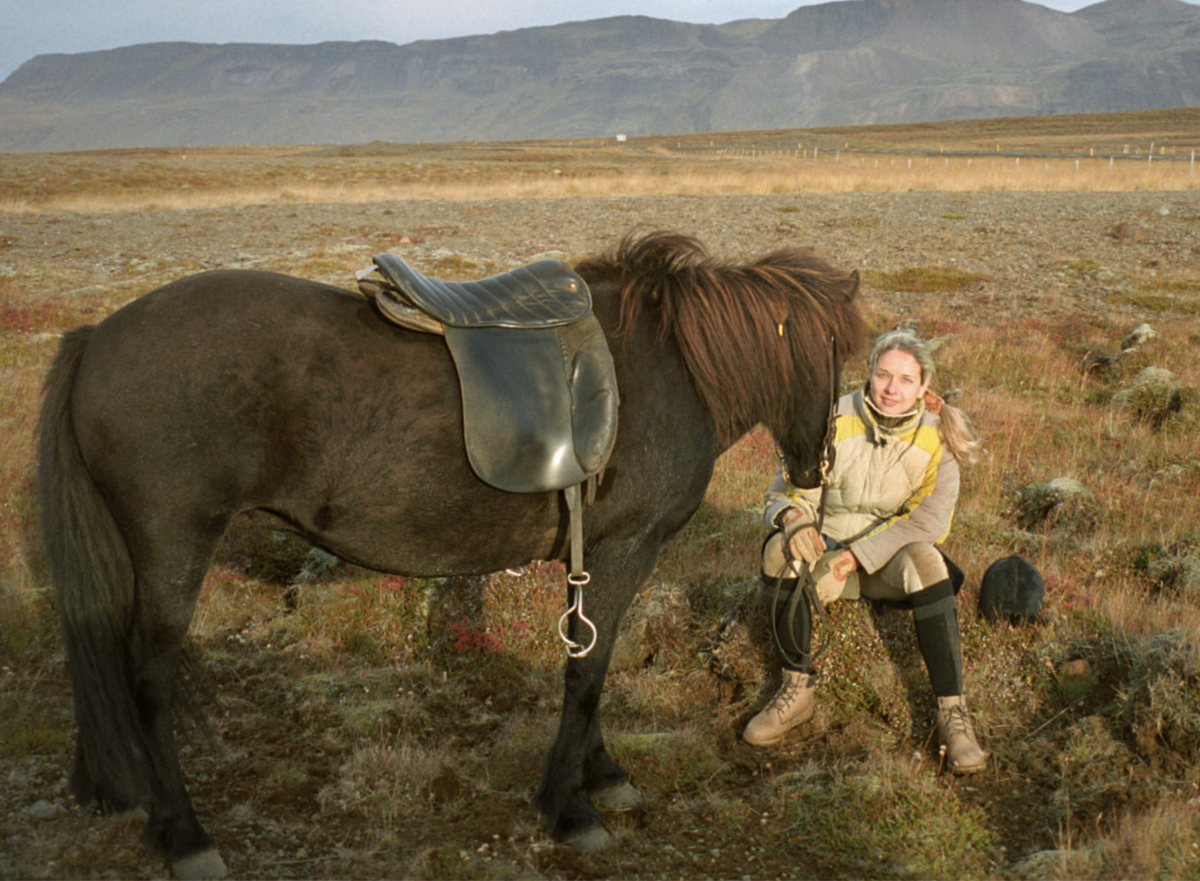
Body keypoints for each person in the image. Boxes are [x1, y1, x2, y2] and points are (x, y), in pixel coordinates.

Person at [744, 328, 987, 775]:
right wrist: (794, 521)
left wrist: (853, 559)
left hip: (883, 566)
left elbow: (928, 523)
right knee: (778, 553)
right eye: (883, 375)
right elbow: (780, 494)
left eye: (906, 380)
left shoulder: (938, 439)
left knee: (927, 559)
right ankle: (796, 690)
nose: (892, 389)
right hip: (822, 553)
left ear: (924, 387)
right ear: (869, 374)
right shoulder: (828, 420)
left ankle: (954, 717)